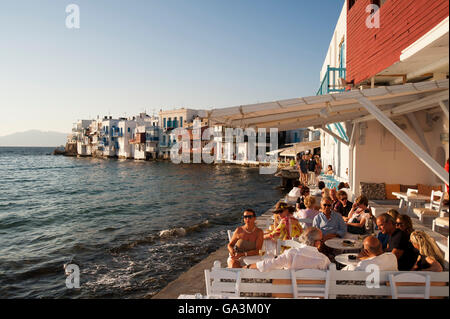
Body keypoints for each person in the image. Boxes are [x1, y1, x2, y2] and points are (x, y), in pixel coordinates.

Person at [245, 227, 330, 271]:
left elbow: (269, 264)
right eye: (321, 240)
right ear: (317, 243)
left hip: (291, 294)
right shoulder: (324, 260)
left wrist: (248, 266)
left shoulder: (291, 254)